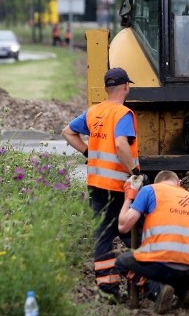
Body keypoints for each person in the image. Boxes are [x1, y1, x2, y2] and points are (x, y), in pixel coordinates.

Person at [61, 67, 141, 303]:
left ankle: (108, 290)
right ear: (126, 87)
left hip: (96, 185)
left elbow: (67, 132)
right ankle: (148, 284)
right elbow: (120, 144)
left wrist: (89, 152)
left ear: (107, 88)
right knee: (132, 234)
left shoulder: (94, 112)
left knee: (103, 236)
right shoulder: (123, 114)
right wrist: (134, 172)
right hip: (119, 186)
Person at [116, 170, 189, 314]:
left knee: (121, 261)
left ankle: (156, 290)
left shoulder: (149, 190)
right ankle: (186, 289)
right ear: (179, 184)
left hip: (160, 265)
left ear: (157, 183)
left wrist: (129, 197)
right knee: (180, 274)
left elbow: (123, 226)